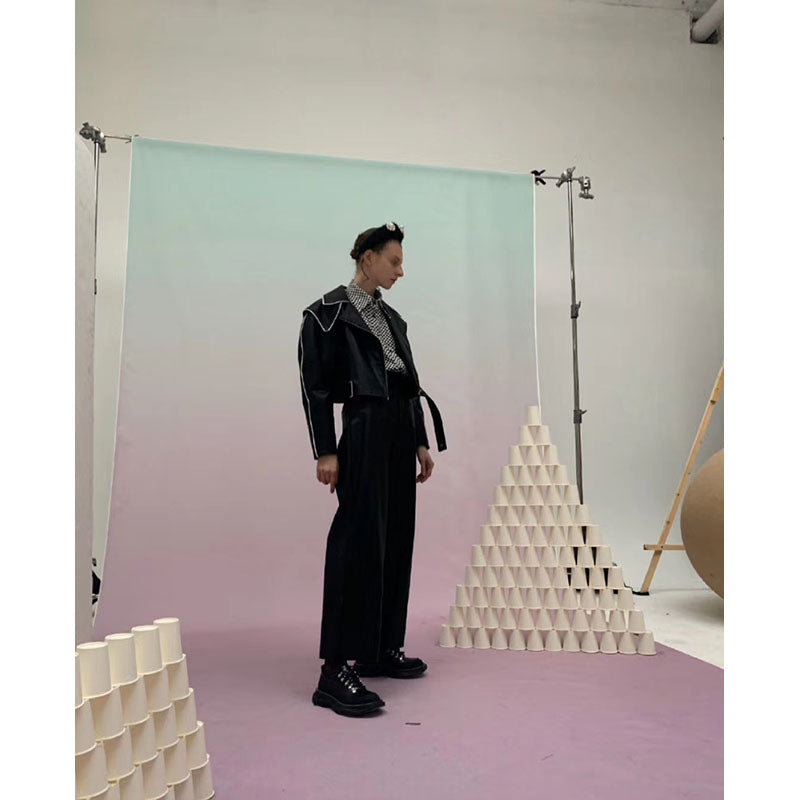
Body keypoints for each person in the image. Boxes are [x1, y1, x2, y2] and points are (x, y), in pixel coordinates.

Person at [297, 222, 447, 717]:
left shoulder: (394, 319)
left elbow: (408, 384)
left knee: (395, 537)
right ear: (368, 259)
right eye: (394, 262)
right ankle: (334, 670)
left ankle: (380, 647)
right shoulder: (326, 314)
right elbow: (316, 388)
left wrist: (420, 440)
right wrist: (326, 450)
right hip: (362, 429)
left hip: (399, 431)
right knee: (357, 541)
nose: (400, 271)